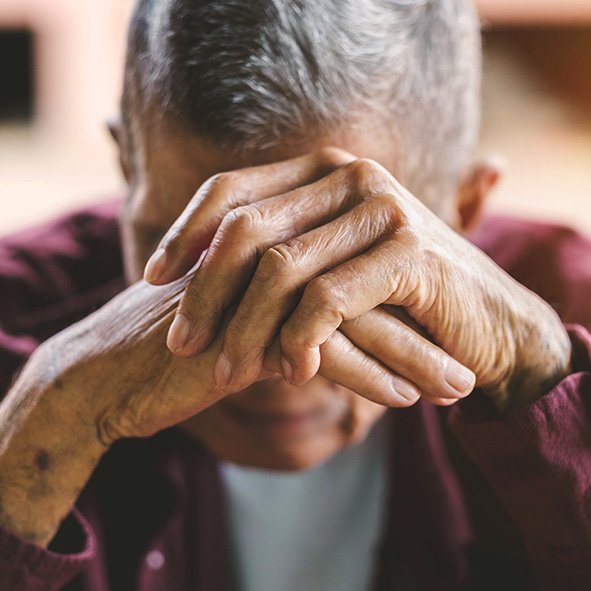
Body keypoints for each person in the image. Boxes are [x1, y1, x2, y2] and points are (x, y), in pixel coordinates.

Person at [1, 0, 590, 589]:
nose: (273, 370)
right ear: (127, 169)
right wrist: (44, 423)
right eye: (196, 263)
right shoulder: (17, 320)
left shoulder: (573, 306)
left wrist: (535, 373)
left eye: (352, 261)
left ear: (464, 211)